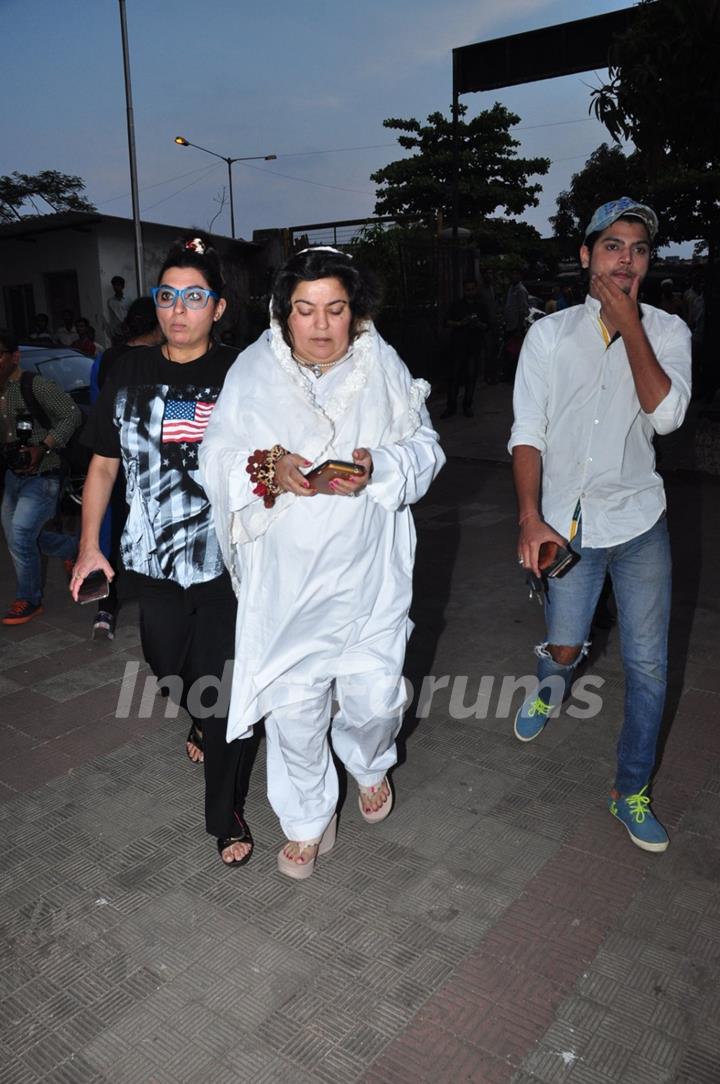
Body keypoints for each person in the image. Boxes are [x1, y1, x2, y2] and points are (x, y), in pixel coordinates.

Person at [199, 247, 445, 879]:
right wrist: (268, 469)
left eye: (335, 309)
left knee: (376, 702)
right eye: (305, 310)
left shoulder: (383, 365)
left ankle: (369, 763)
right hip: (289, 586)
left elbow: (425, 448)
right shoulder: (253, 371)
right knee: (296, 715)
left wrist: (379, 466)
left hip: (368, 577)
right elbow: (215, 455)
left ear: (353, 311)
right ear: (284, 315)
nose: (321, 325)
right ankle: (307, 820)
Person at [509, 197, 691, 853]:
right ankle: (551, 679)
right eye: (612, 245)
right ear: (586, 255)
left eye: (639, 248)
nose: (626, 259)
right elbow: (527, 433)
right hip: (569, 528)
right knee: (564, 645)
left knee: (649, 668)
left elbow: (666, 417)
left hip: (640, 523)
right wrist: (530, 518)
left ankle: (630, 790)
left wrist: (631, 328)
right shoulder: (548, 337)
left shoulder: (668, 333)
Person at [70, 234, 254, 867]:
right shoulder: (129, 369)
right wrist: (88, 547)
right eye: (168, 295)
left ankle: (224, 813)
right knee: (167, 663)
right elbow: (101, 466)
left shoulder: (241, 374)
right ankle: (199, 718)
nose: (179, 309)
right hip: (150, 560)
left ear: (219, 307)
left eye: (195, 297)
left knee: (220, 685)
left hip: (225, 560)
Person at [88, 297, 163, 640]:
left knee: (112, 529)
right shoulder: (152, 361)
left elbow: (96, 404)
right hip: (140, 466)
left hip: (113, 460)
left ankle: (105, 608)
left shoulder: (105, 359)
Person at [0, 331, 81, 625]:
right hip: (13, 475)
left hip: (44, 471)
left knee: (21, 534)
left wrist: (43, 446)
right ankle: (72, 547)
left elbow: (71, 415)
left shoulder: (34, 385)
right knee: (17, 537)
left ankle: (30, 599)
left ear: (14, 357)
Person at [441, 279, 489, 418]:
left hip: (474, 347)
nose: (470, 292)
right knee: (454, 377)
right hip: (458, 346)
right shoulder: (457, 305)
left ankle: (467, 405)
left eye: (472, 289)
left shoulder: (481, 306)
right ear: (464, 290)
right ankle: (451, 406)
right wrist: (461, 323)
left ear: (476, 289)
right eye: (468, 289)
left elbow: (487, 326)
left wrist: (478, 324)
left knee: (471, 377)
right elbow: (446, 321)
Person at [501, 270, 530, 382]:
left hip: (516, 327)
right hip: (509, 325)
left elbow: (523, 311)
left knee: (515, 353)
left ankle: (515, 376)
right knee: (509, 351)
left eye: (515, 274)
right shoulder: (511, 289)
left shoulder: (521, 290)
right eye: (512, 274)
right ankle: (509, 375)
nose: (513, 276)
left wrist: (518, 329)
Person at [107, 275, 130, 343]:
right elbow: (110, 317)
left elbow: (130, 314)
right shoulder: (110, 301)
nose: (116, 287)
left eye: (118, 285)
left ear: (123, 286)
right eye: (114, 285)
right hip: (116, 332)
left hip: (127, 331)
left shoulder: (128, 300)